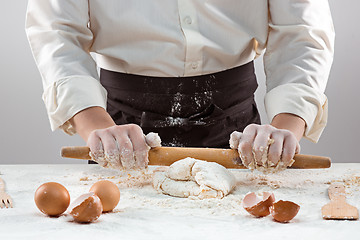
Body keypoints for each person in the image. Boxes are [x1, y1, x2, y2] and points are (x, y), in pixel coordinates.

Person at [25, 1, 334, 170]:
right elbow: (56, 32)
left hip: (239, 131)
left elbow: (301, 32)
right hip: (120, 131)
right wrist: (94, 124)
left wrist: (286, 126)